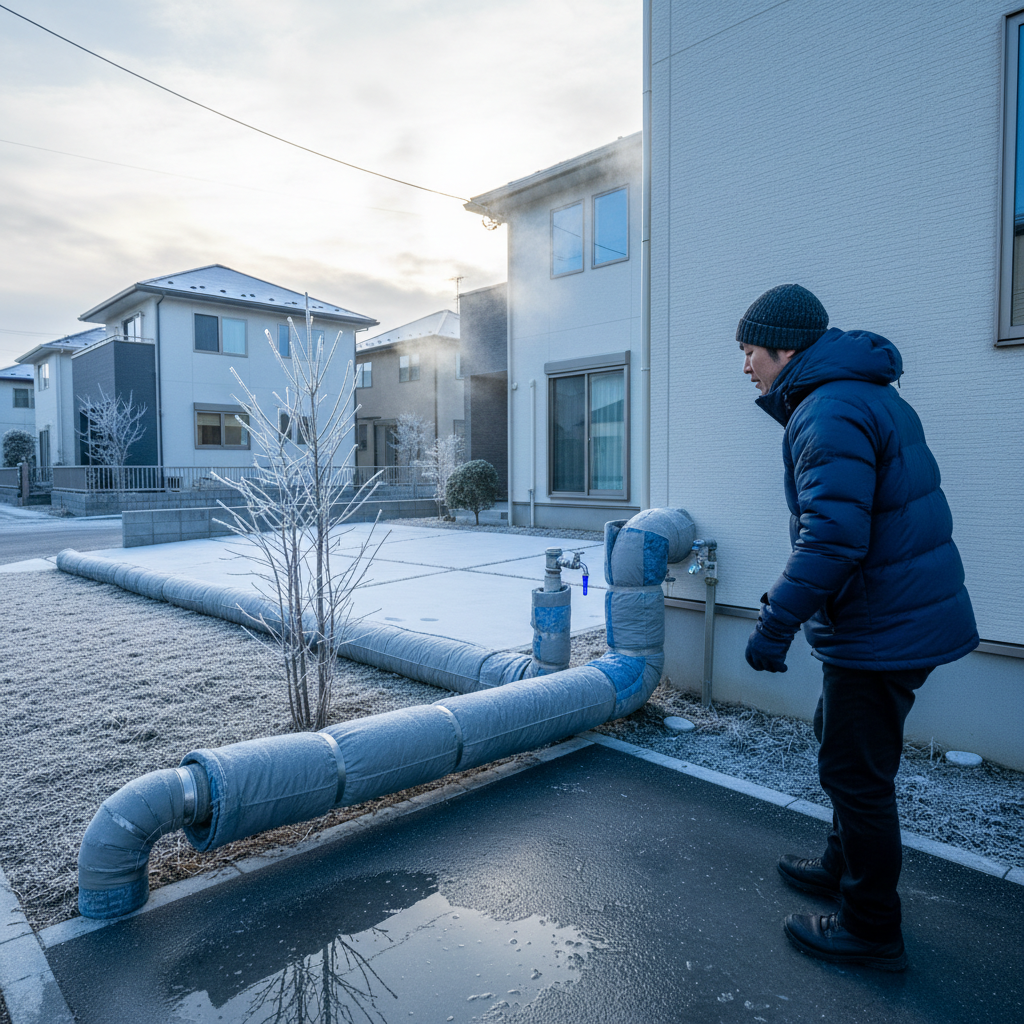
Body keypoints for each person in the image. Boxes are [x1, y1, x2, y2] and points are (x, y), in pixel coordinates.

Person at [737, 283, 978, 971]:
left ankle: (870, 928)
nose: (746, 366)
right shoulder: (856, 393)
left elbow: (832, 541)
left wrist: (774, 624)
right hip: (895, 613)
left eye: (750, 351)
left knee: (856, 775)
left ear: (785, 348)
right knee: (841, 747)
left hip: (884, 624)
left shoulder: (829, 409)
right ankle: (838, 867)